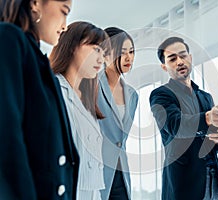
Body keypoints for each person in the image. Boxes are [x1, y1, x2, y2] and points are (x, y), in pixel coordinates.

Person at [0, 0, 79, 199]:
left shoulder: (41, 63)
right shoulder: (8, 39)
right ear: (35, 3)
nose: (65, 25)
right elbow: (6, 140)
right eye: (64, 11)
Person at [150, 36, 218, 200]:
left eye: (183, 55)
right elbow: (175, 125)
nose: (179, 61)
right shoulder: (161, 95)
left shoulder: (205, 97)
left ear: (190, 58)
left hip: (212, 179)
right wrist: (208, 118)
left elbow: (214, 137)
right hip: (184, 183)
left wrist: (217, 138)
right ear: (164, 67)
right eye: (172, 59)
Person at [50, 21, 110, 200]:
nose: (101, 59)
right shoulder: (53, 89)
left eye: (104, 53)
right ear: (72, 46)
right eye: (96, 49)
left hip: (90, 191)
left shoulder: (86, 98)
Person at [97, 27, 138, 200]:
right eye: (122, 52)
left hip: (121, 172)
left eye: (132, 51)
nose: (129, 57)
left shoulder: (133, 95)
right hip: (97, 170)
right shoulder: (91, 87)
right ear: (105, 55)